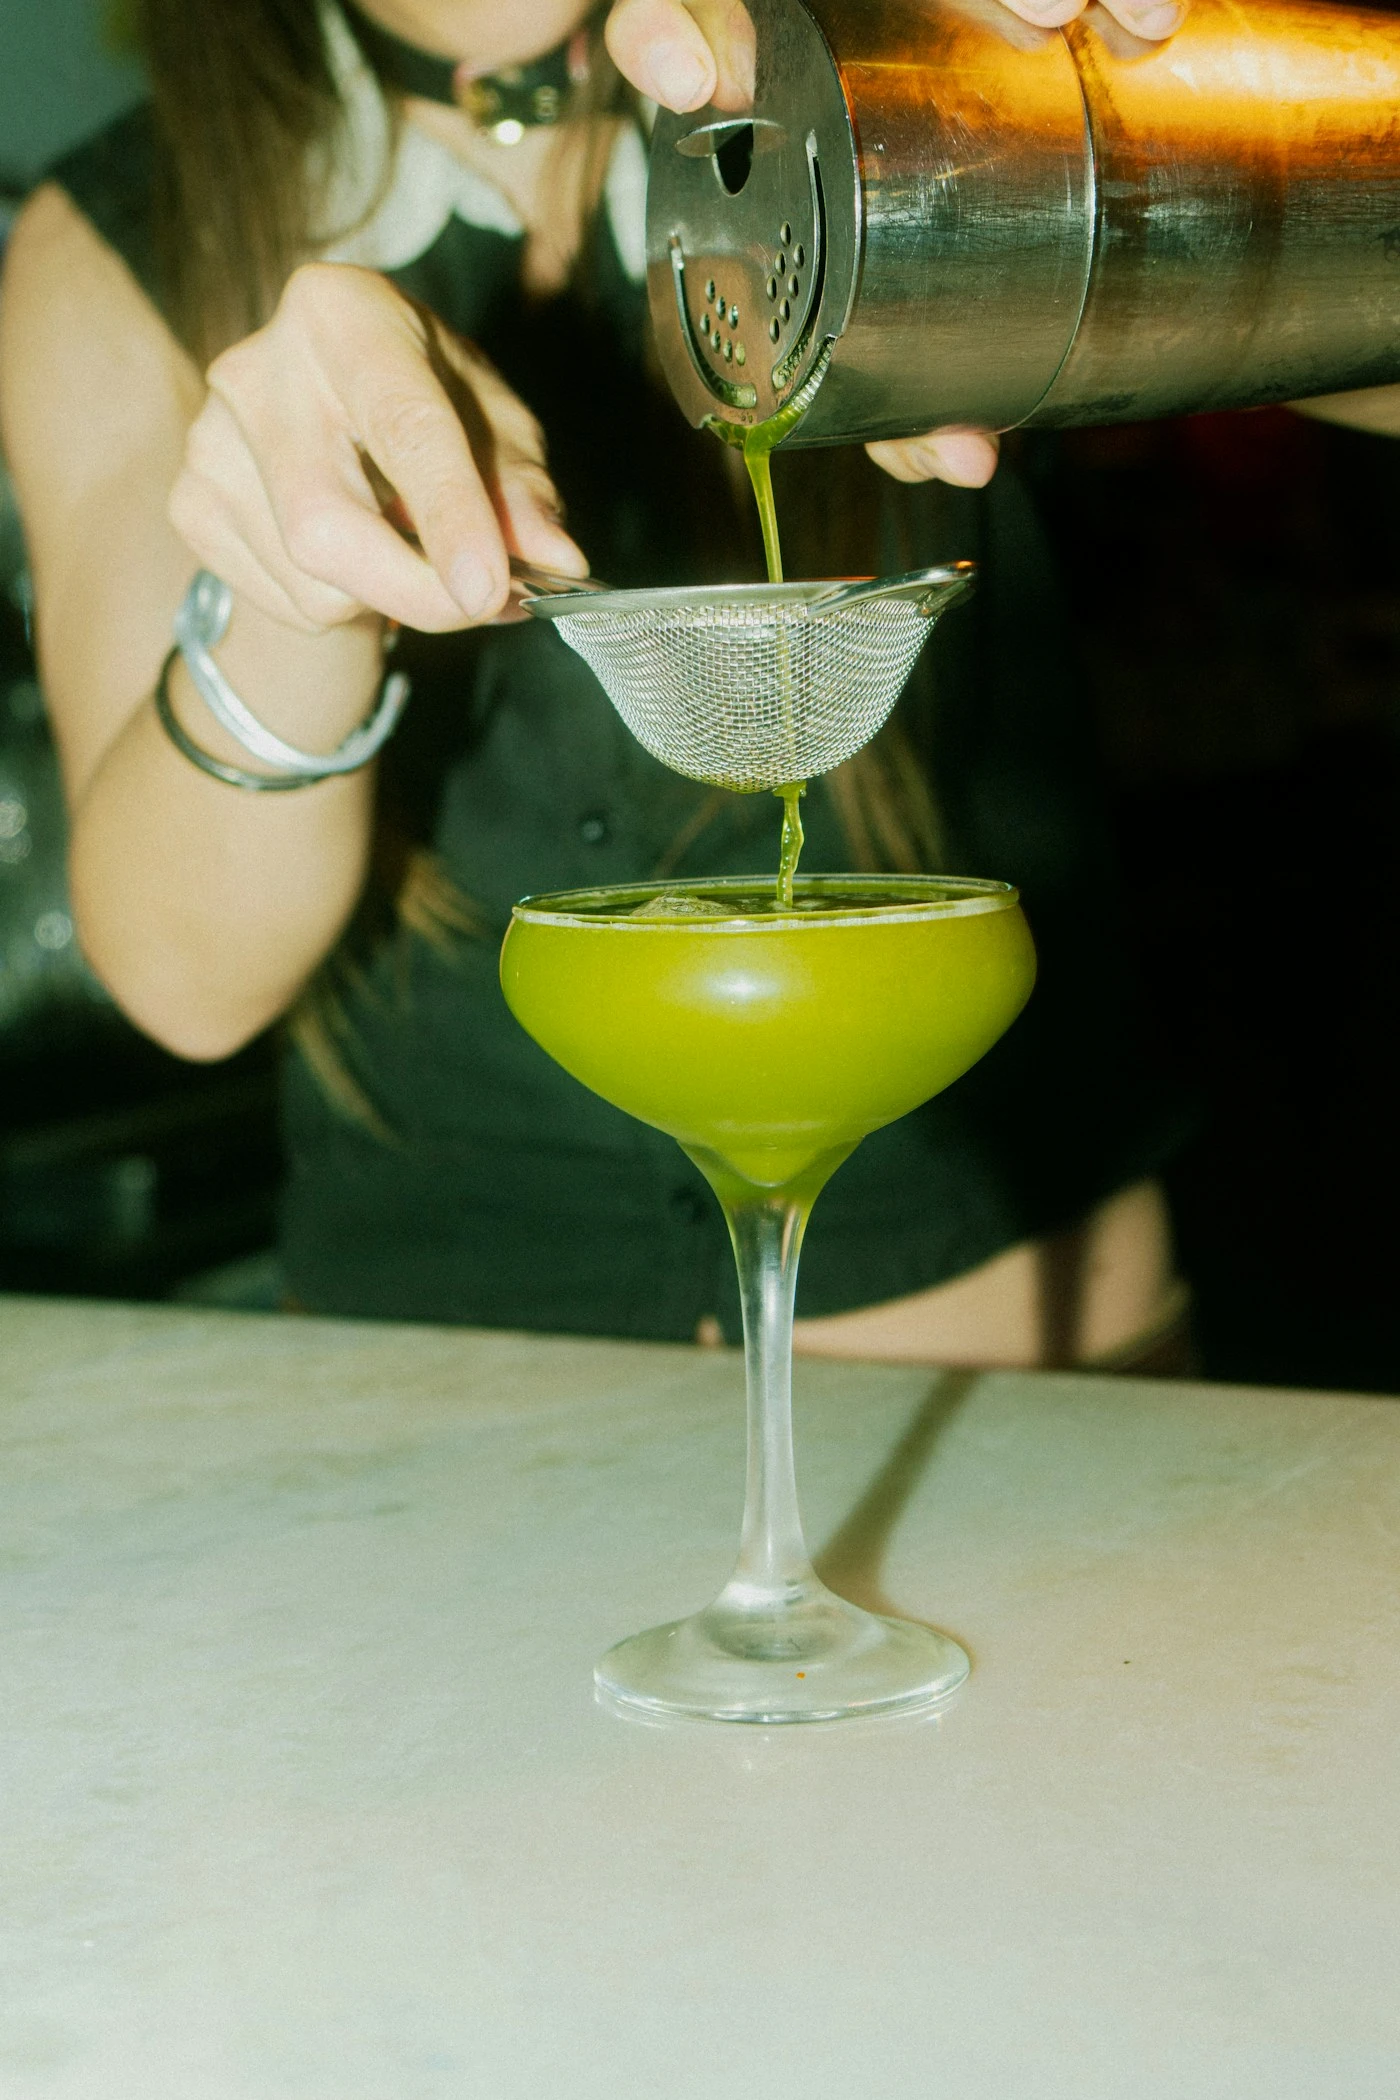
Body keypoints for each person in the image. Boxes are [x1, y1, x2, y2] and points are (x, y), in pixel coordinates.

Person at [0, 0, 1206, 1366]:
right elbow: (186, 981)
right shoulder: (121, 235)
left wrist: (1204, 80)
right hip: (472, 1408)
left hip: (1024, 1383)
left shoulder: (921, 85)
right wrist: (303, 595)